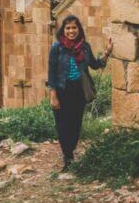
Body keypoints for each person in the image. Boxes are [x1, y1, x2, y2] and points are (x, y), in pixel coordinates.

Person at [47, 15, 112, 171]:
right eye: (68, 28)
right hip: (62, 90)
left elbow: (95, 65)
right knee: (63, 125)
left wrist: (107, 53)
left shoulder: (85, 47)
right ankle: (67, 156)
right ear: (63, 30)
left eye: (74, 28)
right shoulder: (57, 47)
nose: (71, 31)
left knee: (75, 124)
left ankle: (70, 151)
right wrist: (53, 95)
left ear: (79, 29)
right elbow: (51, 72)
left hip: (78, 91)